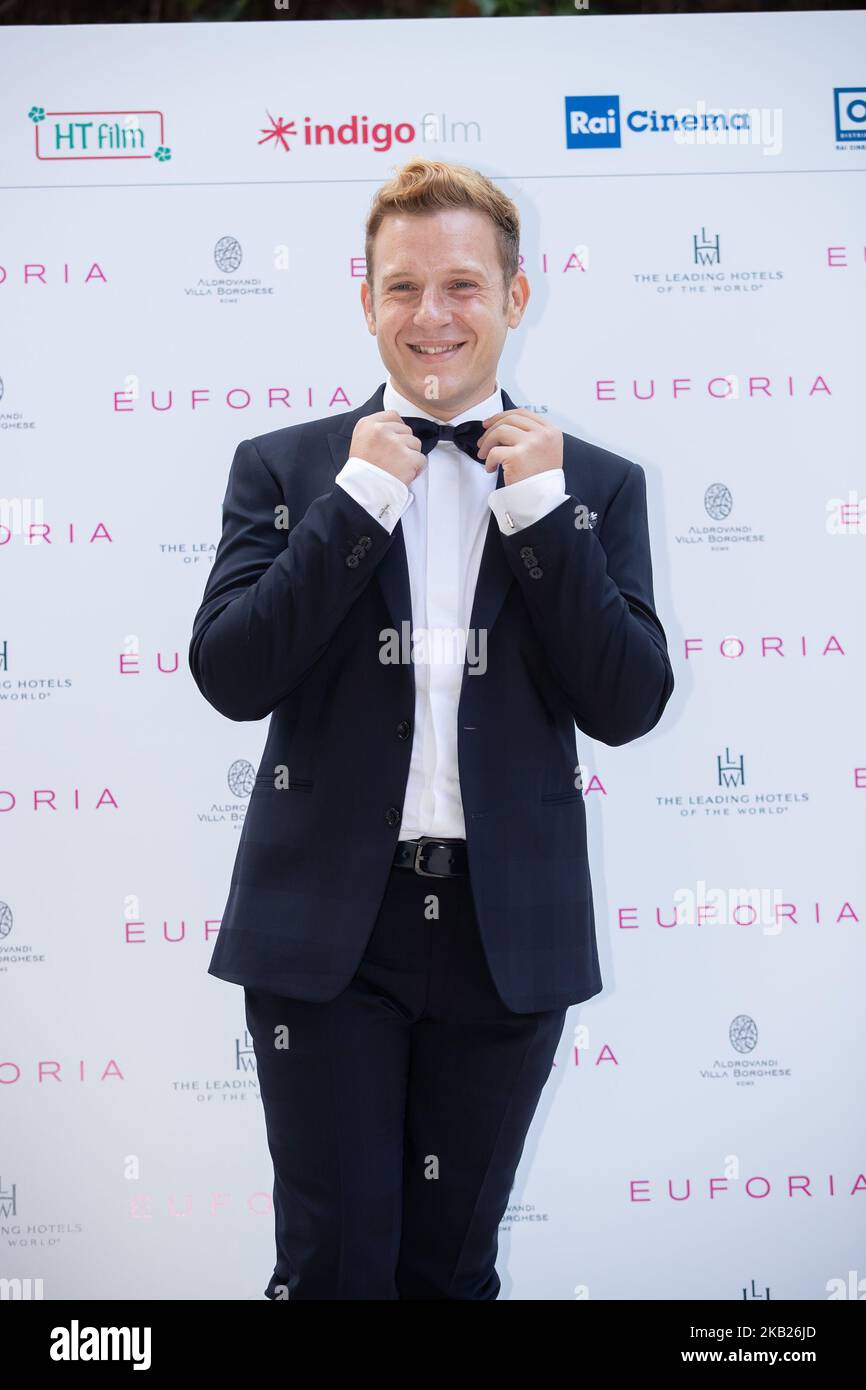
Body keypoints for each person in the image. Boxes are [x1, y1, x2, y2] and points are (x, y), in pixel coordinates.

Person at [188, 157, 674, 1300]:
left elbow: (625, 703)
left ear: (514, 297)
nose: (431, 316)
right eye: (401, 288)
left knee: (451, 1270)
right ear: (364, 302)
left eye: (461, 285)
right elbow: (231, 672)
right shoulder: (284, 470)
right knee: (333, 1268)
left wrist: (542, 517)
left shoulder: (595, 484)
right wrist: (352, 505)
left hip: (503, 938)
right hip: (327, 939)